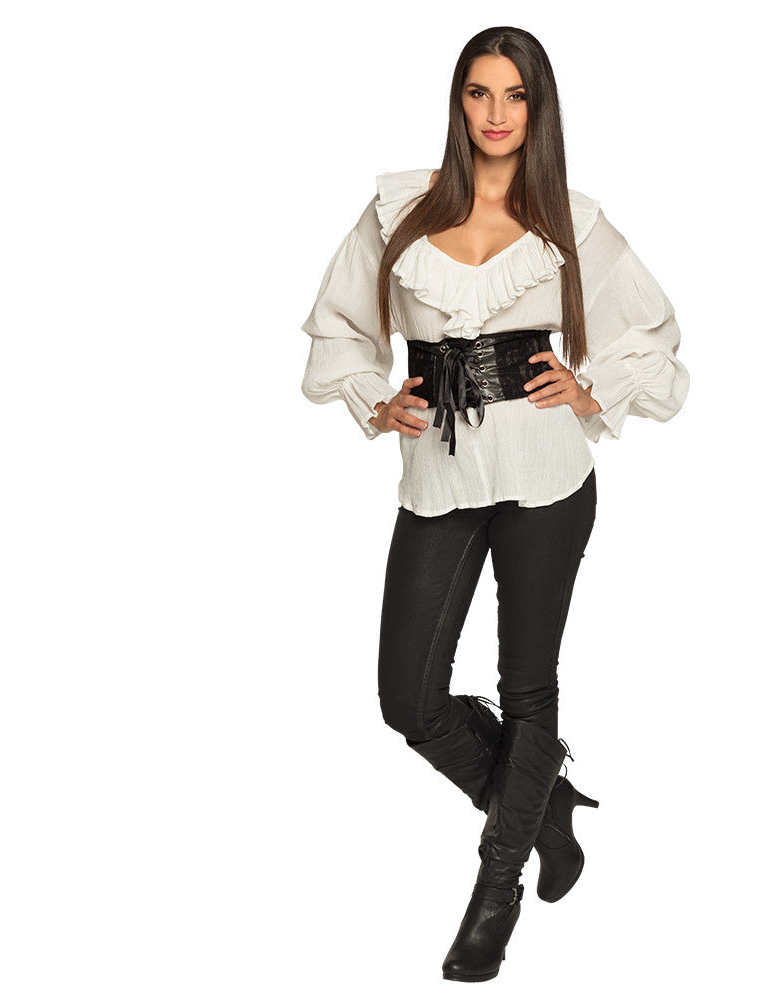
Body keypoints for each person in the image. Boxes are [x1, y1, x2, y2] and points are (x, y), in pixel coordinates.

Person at [299, 25, 690, 983]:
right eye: (480, 92)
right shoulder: (399, 211)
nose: (498, 113)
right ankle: (539, 800)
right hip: (438, 476)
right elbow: (340, 328)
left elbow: (652, 332)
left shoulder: (571, 222)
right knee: (408, 699)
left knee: (529, 690)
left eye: (516, 95)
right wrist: (374, 398)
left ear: (538, 107)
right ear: (458, 102)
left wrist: (595, 392)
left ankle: (497, 888)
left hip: (547, 473)